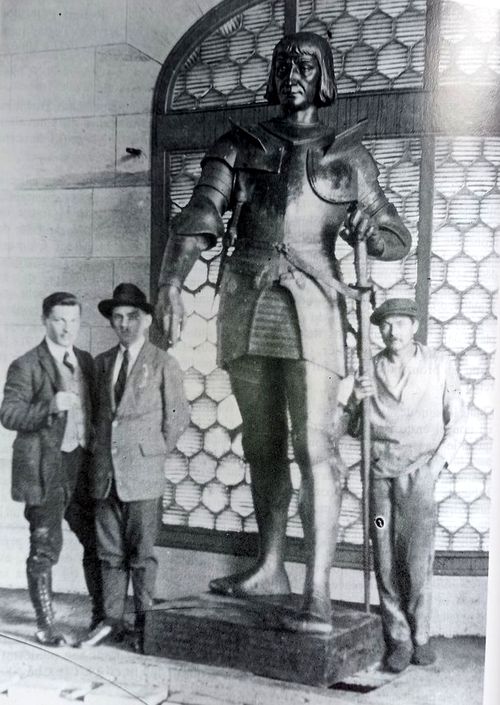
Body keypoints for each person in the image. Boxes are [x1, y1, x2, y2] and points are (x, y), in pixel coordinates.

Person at [155, 31, 411, 634]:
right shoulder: (239, 145)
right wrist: (169, 282)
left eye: (307, 64)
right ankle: (271, 565)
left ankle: (318, 590)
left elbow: (390, 228)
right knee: (261, 441)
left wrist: (380, 232)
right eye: (286, 63)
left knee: (315, 446)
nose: (295, 72)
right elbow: (200, 215)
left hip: (317, 304)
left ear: (324, 77)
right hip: (247, 297)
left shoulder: (349, 156)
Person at [342, 298, 466, 672]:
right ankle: (397, 637)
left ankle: (421, 636)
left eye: (399, 323)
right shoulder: (370, 369)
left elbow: (456, 421)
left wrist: (436, 465)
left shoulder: (439, 365)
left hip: (418, 478)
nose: (391, 331)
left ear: (414, 326)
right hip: (380, 478)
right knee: (383, 550)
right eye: (385, 325)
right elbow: (353, 428)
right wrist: (354, 401)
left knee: (415, 556)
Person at [79, 283, 189, 651]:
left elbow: (178, 415)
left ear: (145, 320)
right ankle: (111, 622)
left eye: (131, 317)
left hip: (143, 475)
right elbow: (94, 416)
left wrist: (153, 450)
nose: (123, 324)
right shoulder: (101, 364)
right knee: (108, 555)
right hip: (105, 475)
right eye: (117, 318)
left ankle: (145, 625)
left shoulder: (162, 363)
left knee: (141, 557)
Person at [0, 292, 102, 646]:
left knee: (96, 540)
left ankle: (102, 619)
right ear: (45, 320)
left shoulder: (86, 362)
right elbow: (8, 414)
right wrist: (49, 406)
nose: (66, 328)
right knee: (44, 546)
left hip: (82, 465)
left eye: (73, 321)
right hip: (45, 468)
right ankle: (45, 624)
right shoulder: (26, 364)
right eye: (59, 320)